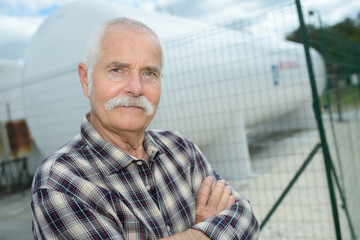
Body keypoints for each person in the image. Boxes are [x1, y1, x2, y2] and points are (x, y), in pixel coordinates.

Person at [31, 17, 259, 239]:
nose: (136, 88)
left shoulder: (180, 149)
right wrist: (203, 232)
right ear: (85, 80)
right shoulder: (61, 182)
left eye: (149, 73)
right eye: (117, 70)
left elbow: (246, 218)